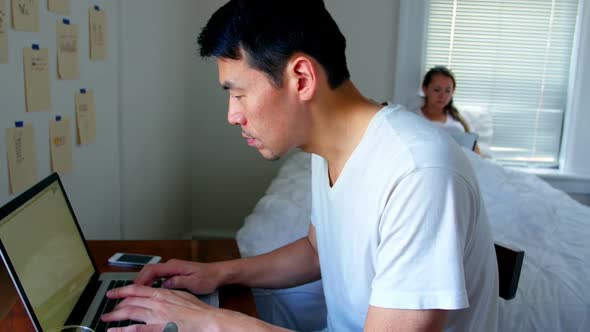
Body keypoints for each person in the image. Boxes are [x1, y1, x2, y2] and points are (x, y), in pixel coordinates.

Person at [101, 1, 498, 331]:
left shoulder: (418, 173)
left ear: (302, 79)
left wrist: (208, 321)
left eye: (238, 94)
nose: (232, 115)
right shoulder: (328, 146)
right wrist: (220, 273)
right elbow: (316, 250)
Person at [419, 66, 481, 154]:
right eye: (437, 90)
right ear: (425, 89)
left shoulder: (460, 119)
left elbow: (476, 153)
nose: (442, 96)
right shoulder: (415, 118)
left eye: (447, 91)